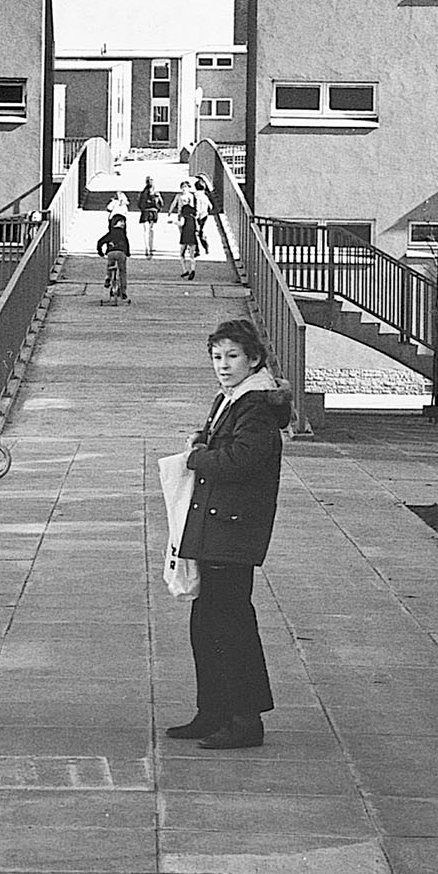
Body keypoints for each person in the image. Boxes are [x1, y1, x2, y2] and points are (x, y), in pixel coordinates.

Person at [167, 318, 290, 750]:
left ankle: (244, 719)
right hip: (219, 526)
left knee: (230, 623)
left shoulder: (254, 405)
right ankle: (213, 710)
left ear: (253, 359)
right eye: (217, 356)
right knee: (207, 621)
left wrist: (198, 456)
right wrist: (204, 439)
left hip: (233, 529)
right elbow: (227, 445)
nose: (223, 364)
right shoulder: (232, 399)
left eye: (232, 356)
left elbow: (241, 461)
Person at [96, 212, 133, 304]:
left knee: (110, 266)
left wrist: (100, 252)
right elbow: (127, 244)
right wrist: (128, 253)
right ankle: (123, 292)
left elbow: (100, 242)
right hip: (121, 253)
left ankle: (108, 277)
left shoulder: (110, 233)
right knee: (122, 272)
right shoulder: (122, 234)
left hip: (111, 252)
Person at [174, 184, 204, 279]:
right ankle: (193, 269)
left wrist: (174, 222)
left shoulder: (183, 216)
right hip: (192, 237)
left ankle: (185, 270)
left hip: (184, 236)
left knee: (182, 254)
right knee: (192, 255)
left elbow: (181, 224)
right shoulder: (193, 218)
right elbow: (198, 228)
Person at [133, 179, 161, 257]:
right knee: (152, 230)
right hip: (153, 212)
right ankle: (151, 246)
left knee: (145, 231)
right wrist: (158, 208)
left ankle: (147, 247)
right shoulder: (156, 193)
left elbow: (139, 204)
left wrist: (142, 209)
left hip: (145, 212)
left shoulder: (142, 193)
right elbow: (161, 203)